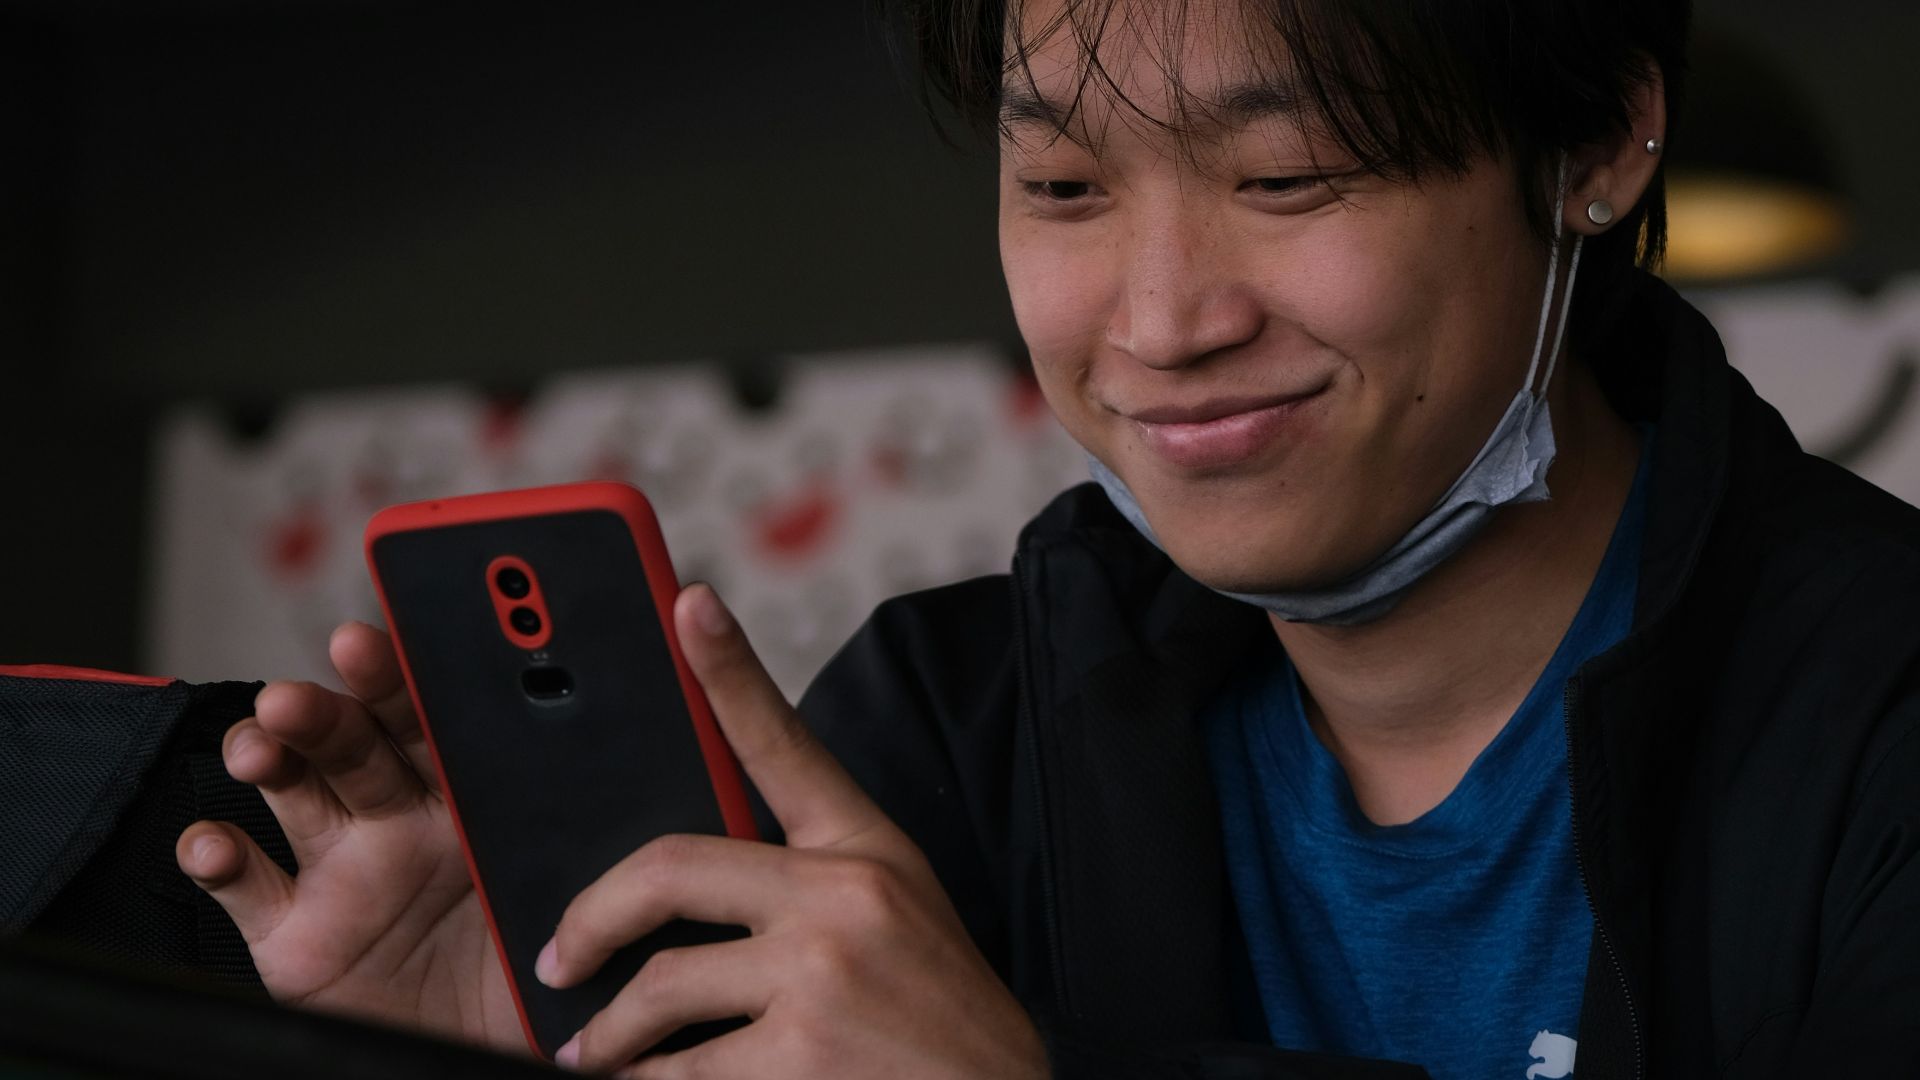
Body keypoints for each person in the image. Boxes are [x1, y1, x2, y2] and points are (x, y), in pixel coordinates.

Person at [172, 0, 1920, 1077]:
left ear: (1599, 142)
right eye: (1067, 191)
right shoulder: (945, 730)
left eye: (1291, 174)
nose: (1158, 322)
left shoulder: (1879, 712)